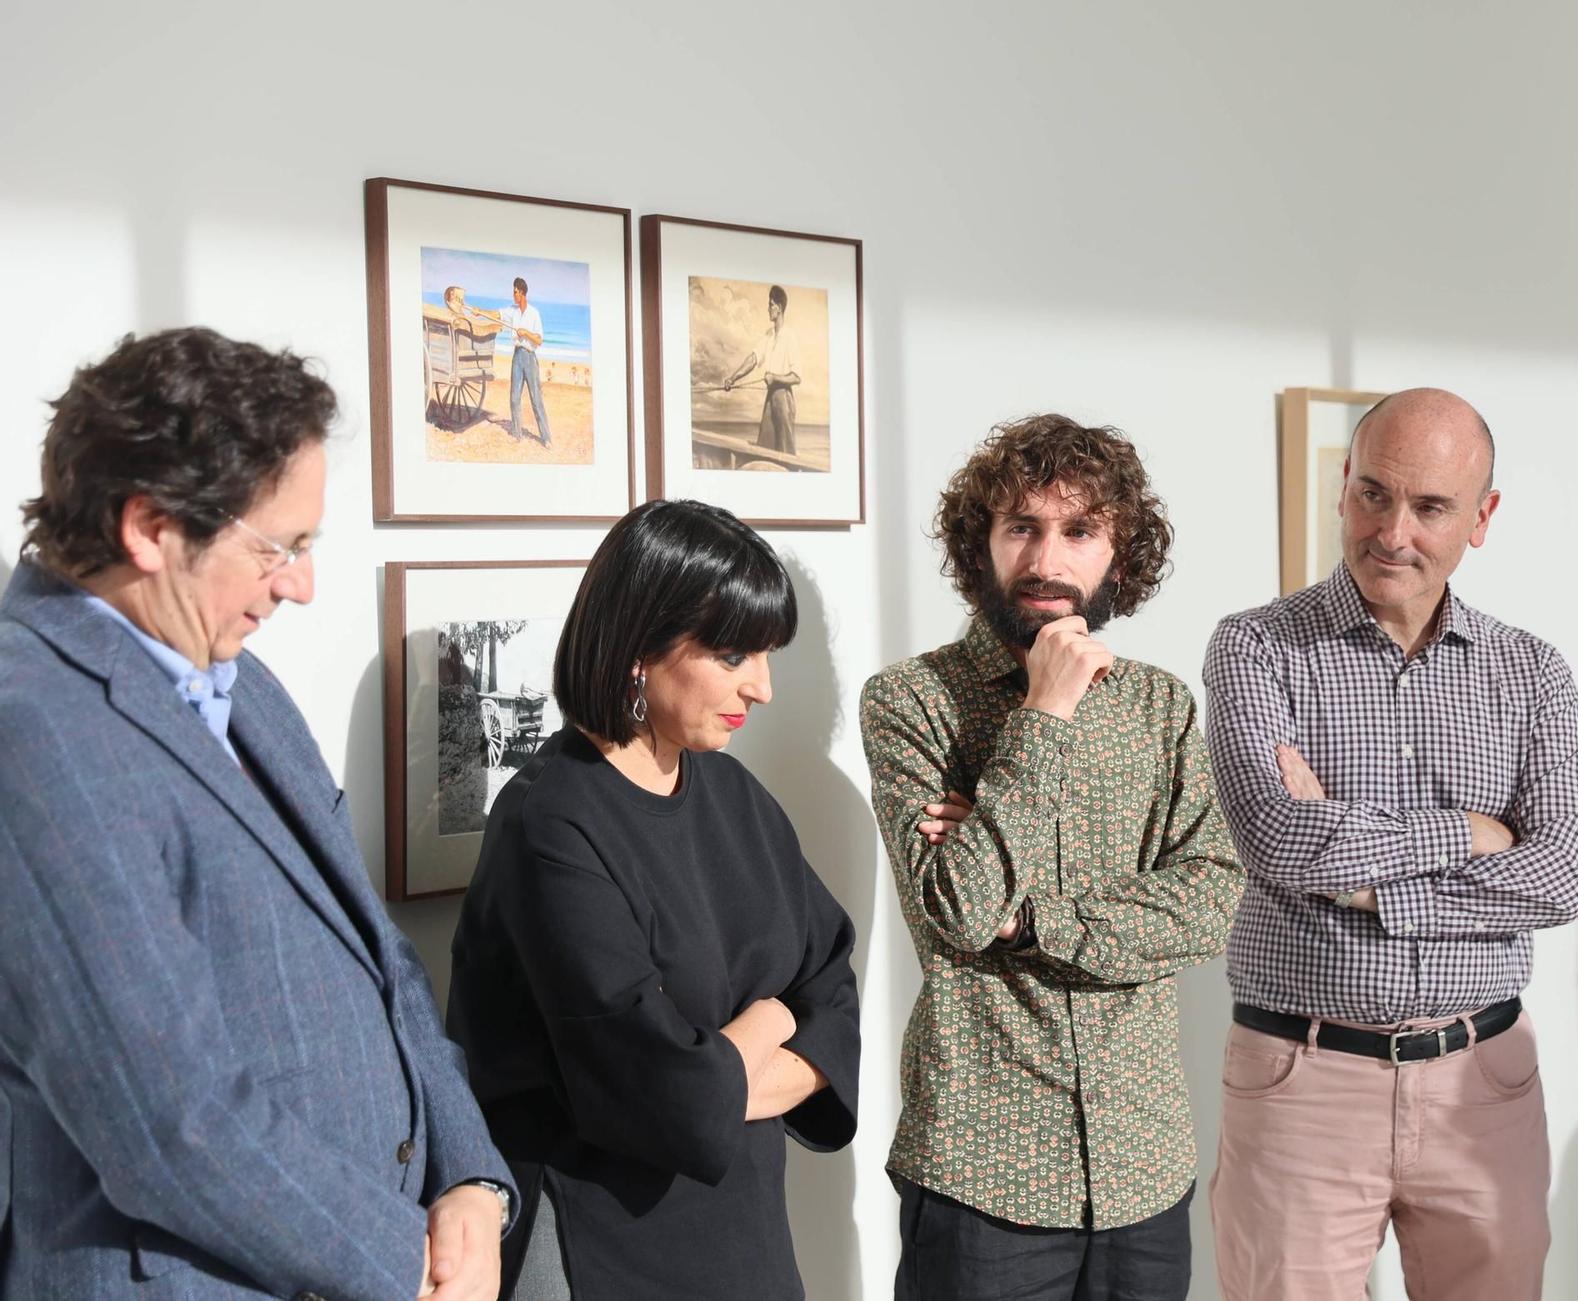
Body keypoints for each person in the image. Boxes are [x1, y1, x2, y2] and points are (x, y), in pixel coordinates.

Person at [0, 327, 514, 1299]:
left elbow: (381, 960)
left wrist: (473, 1179)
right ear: (150, 527)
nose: (303, 585)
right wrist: (403, 1263)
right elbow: (167, 1119)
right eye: (279, 546)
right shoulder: (33, 732)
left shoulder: (241, 677)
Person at [1201, 388, 1578, 1300]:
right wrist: (1467, 832)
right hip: (1303, 1077)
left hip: (1484, 1082)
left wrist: (1362, 880)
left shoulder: (1531, 669)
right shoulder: (1257, 647)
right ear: (1343, 486)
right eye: (1374, 494)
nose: (1393, 531)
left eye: (1430, 508)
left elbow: (1562, 874)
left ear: (1481, 518)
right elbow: (1273, 834)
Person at [860, 413, 1243, 1301]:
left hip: (1143, 1168)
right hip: (982, 1171)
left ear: (1120, 553)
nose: (1046, 559)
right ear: (980, 543)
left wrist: (1033, 919)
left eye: (1079, 530)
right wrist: (1043, 715)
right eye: (1021, 527)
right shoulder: (912, 703)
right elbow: (957, 911)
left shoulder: (1161, 707)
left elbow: (1211, 902)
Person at [446, 498, 861, 1300]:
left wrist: (728, 1060)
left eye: (766, 654)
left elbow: (835, 994)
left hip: (744, 1237)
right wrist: (777, 1018)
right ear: (640, 647)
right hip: (599, 1245)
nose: (764, 687)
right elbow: (661, 1092)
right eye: (734, 653)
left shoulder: (734, 794)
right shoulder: (550, 823)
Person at [722, 284, 801, 456]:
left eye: (771, 304)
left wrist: (775, 377)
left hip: (784, 399)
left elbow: (796, 377)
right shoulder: (768, 335)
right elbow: (753, 359)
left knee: (785, 452)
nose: (768, 309)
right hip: (770, 397)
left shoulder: (790, 336)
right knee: (765, 450)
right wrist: (733, 378)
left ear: (779, 308)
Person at [473, 276, 549, 446]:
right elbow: (496, 315)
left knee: (536, 399)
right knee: (514, 397)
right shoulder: (512, 310)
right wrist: (480, 312)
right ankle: (516, 433)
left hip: (529, 357)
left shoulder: (534, 313)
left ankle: (546, 438)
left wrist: (526, 333)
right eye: (513, 292)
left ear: (522, 293)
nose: (513, 295)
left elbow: (539, 340)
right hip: (517, 356)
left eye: (515, 292)